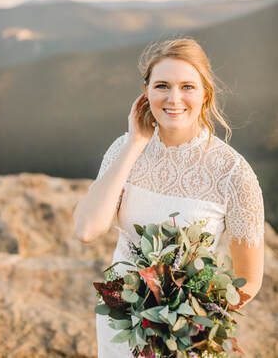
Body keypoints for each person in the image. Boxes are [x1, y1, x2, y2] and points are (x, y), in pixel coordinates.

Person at [72, 38, 265, 358]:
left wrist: (194, 323)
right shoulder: (123, 149)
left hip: (186, 335)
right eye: (162, 85)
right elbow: (86, 230)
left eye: (187, 86)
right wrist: (135, 143)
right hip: (120, 321)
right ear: (146, 93)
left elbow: (248, 280)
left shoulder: (233, 172)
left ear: (205, 94)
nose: (174, 98)